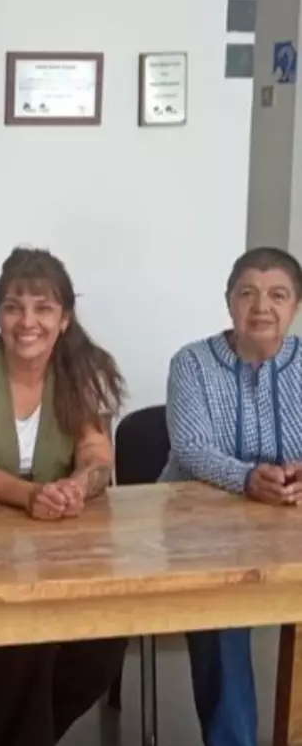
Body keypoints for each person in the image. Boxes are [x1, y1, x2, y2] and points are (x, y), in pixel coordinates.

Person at [0, 247, 128, 746]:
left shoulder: (84, 370)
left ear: (64, 319)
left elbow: (96, 455)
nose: (27, 322)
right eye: (13, 307)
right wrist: (32, 495)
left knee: (106, 641)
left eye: (43, 308)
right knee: (29, 633)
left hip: (65, 540)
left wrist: (77, 485)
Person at [162, 246, 302, 746]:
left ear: (295, 306)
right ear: (229, 302)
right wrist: (247, 479)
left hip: (289, 526)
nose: (261, 307)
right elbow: (191, 447)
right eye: (248, 294)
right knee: (222, 608)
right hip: (201, 528)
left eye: (278, 295)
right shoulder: (192, 363)